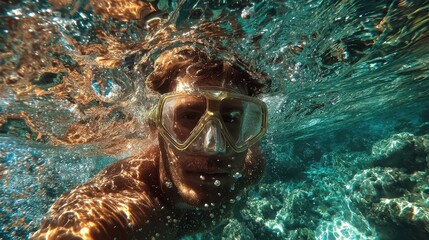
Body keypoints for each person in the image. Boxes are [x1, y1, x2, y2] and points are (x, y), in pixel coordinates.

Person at [32, 46, 269, 240]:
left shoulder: (248, 168)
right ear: (156, 126)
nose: (214, 147)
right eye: (188, 116)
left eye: (231, 118)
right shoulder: (121, 211)